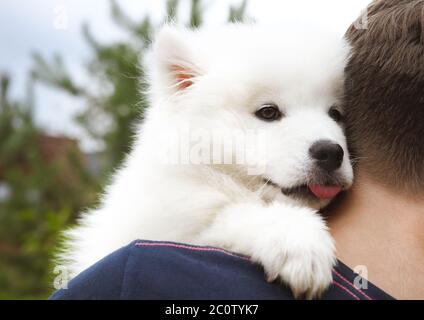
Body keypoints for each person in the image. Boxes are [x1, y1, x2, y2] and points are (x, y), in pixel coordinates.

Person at [50, 0, 423, 300]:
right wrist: (266, 226)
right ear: (183, 85)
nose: (327, 141)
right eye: (268, 112)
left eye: (335, 113)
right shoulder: (140, 267)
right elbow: (176, 224)